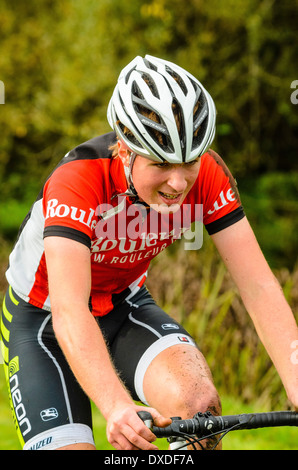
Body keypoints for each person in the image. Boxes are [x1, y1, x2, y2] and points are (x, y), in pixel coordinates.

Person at [1, 55, 297, 451]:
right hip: (44, 321)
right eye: (160, 163)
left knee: (199, 411)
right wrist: (117, 406)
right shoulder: (77, 181)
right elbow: (70, 309)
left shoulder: (208, 174)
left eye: (189, 161)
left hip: (124, 307)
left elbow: (259, 286)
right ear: (124, 150)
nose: (178, 182)